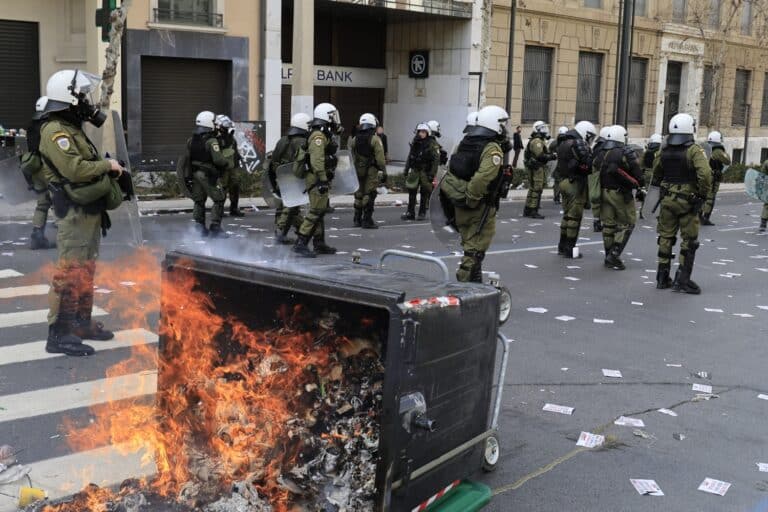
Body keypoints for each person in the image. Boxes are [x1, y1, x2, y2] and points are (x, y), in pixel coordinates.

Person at [38, 69, 124, 356]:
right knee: (69, 273)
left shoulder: (72, 128)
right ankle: (59, 334)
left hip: (88, 211)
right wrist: (107, 166)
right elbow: (74, 169)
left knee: (85, 270)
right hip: (74, 213)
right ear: (69, 97)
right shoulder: (55, 131)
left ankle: (80, 324)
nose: (87, 101)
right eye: (83, 96)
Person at [440, 105, 510, 282]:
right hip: (478, 205)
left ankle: (476, 284)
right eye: (502, 124)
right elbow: (482, 178)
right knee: (475, 251)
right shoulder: (491, 148)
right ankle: (466, 285)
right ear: (494, 124)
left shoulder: (466, 142)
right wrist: (472, 199)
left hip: (459, 203)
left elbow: (452, 169)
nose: (504, 128)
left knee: (470, 245)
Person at [652, 113, 712, 294]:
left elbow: (656, 172)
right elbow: (705, 174)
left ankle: (662, 277)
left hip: (667, 199)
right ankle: (682, 279)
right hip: (687, 200)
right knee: (689, 240)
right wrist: (702, 194)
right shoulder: (694, 150)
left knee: (665, 237)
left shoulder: (663, 149)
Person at [294, 102, 341, 257]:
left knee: (320, 212)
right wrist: (322, 179)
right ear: (326, 116)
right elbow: (317, 161)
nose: (335, 119)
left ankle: (319, 243)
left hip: (319, 177)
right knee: (315, 211)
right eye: (332, 116)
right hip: (316, 178)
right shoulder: (318, 136)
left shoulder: (323, 133)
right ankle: (301, 243)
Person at [594, 125, 645, 270]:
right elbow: (638, 174)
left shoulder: (601, 152)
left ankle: (608, 254)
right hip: (620, 194)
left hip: (603, 192)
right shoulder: (625, 152)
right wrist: (639, 184)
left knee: (608, 225)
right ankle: (614, 255)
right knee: (627, 223)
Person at [556, 120, 596, 258]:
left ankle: (562, 246)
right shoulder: (577, 143)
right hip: (574, 183)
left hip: (563, 181)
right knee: (574, 218)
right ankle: (570, 249)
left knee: (567, 216)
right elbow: (588, 162)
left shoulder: (564, 142)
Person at [19, 96, 56, 250]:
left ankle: (37, 236)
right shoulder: (49, 125)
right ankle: (68, 237)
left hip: (35, 169)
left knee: (42, 203)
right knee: (60, 200)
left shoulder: (32, 125)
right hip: (48, 169)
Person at [268, 113, 311, 244]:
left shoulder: (283, 139)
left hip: (281, 177)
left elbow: (274, 160)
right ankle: (281, 232)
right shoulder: (301, 141)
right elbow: (303, 161)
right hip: (293, 178)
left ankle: (299, 229)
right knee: (291, 207)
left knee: (285, 206)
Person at [188, 110, 230, 237]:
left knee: (199, 200)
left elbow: (186, 158)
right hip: (208, 175)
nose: (216, 125)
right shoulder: (212, 141)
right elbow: (218, 160)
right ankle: (215, 227)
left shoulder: (191, 140)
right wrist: (227, 162)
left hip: (195, 174)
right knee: (219, 198)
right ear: (208, 123)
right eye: (214, 123)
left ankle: (199, 227)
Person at [350, 113, 386, 229]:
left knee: (359, 194)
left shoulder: (354, 139)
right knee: (370, 194)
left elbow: (351, 156)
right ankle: (367, 220)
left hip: (357, 171)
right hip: (371, 170)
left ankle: (357, 219)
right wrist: (383, 172)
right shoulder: (375, 139)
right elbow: (380, 160)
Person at [401, 123, 438, 221]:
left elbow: (436, 160)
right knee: (412, 192)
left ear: (427, 133)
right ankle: (410, 212)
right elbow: (410, 156)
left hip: (425, 172)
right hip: (415, 170)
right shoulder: (415, 142)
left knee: (424, 192)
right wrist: (406, 170)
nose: (421, 134)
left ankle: (422, 213)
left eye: (423, 132)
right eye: (420, 132)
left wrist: (432, 174)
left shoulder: (432, 143)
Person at [215, 114, 245, 218]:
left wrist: (238, 160)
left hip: (233, 166)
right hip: (223, 167)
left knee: (235, 186)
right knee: (222, 188)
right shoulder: (216, 138)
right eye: (225, 126)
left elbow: (234, 150)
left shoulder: (231, 137)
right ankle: (219, 210)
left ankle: (234, 209)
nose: (227, 128)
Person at [523, 120, 555, 218]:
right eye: (542, 128)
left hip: (535, 167)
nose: (545, 130)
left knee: (533, 188)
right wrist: (552, 156)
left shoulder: (538, 140)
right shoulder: (537, 141)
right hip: (536, 168)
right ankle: (533, 210)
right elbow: (540, 156)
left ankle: (528, 209)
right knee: (537, 188)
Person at [700, 130, 731, 226]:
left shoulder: (703, 148)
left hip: (702, 176)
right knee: (710, 198)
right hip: (713, 177)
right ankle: (705, 218)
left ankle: (698, 216)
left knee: (701, 196)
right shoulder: (718, 151)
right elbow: (727, 161)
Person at [590, 126, 611, 232]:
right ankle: (605, 222)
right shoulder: (605, 148)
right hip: (603, 176)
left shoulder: (596, 146)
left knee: (596, 199)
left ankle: (596, 221)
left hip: (595, 175)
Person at [639, 133, 662, 219]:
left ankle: (642, 210)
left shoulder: (646, 152)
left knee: (646, 193)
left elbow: (641, 164)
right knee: (659, 193)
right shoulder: (660, 153)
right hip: (657, 174)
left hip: (647, 173)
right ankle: (659, 213)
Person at [550, 126, 568, 204]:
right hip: (564, 164)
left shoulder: (555, 142)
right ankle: (563, 197)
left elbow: (549, 150)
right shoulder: (568, 142)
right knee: (564, 181)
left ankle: (556, 197)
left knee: (557, 182)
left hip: (557, 164)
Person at [759, 160, 768, 232]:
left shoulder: (766, 162)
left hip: (767, 186)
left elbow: (762, 175)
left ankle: (763, 223)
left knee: (767, 204)